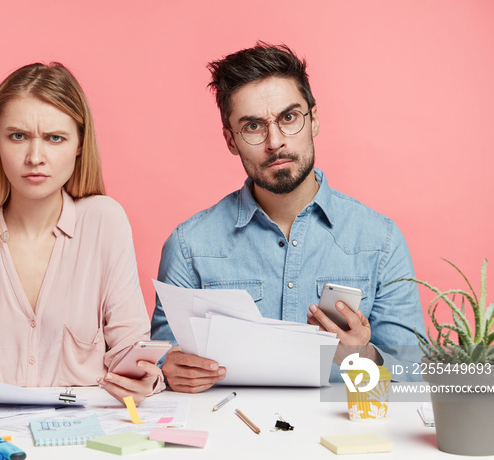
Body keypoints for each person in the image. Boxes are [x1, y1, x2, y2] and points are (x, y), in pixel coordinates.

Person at [150, 42, 426, 393]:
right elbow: (163, 364)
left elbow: (414, 375)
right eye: (252, 126)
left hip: (345, 440)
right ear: (230, 140)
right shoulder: (189, 246)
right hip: (231, 438)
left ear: (314, 119)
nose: (275, 141)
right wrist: (169, 369)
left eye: (289, 117)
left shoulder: (380, 240)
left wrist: (364, 355)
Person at [0, 63, 162, 412]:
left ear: (80, 144)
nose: (35, 158)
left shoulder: (105, 221)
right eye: (18, 136)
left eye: (55, 138)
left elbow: (132, 346)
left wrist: (145, 376)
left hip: (81, 438)